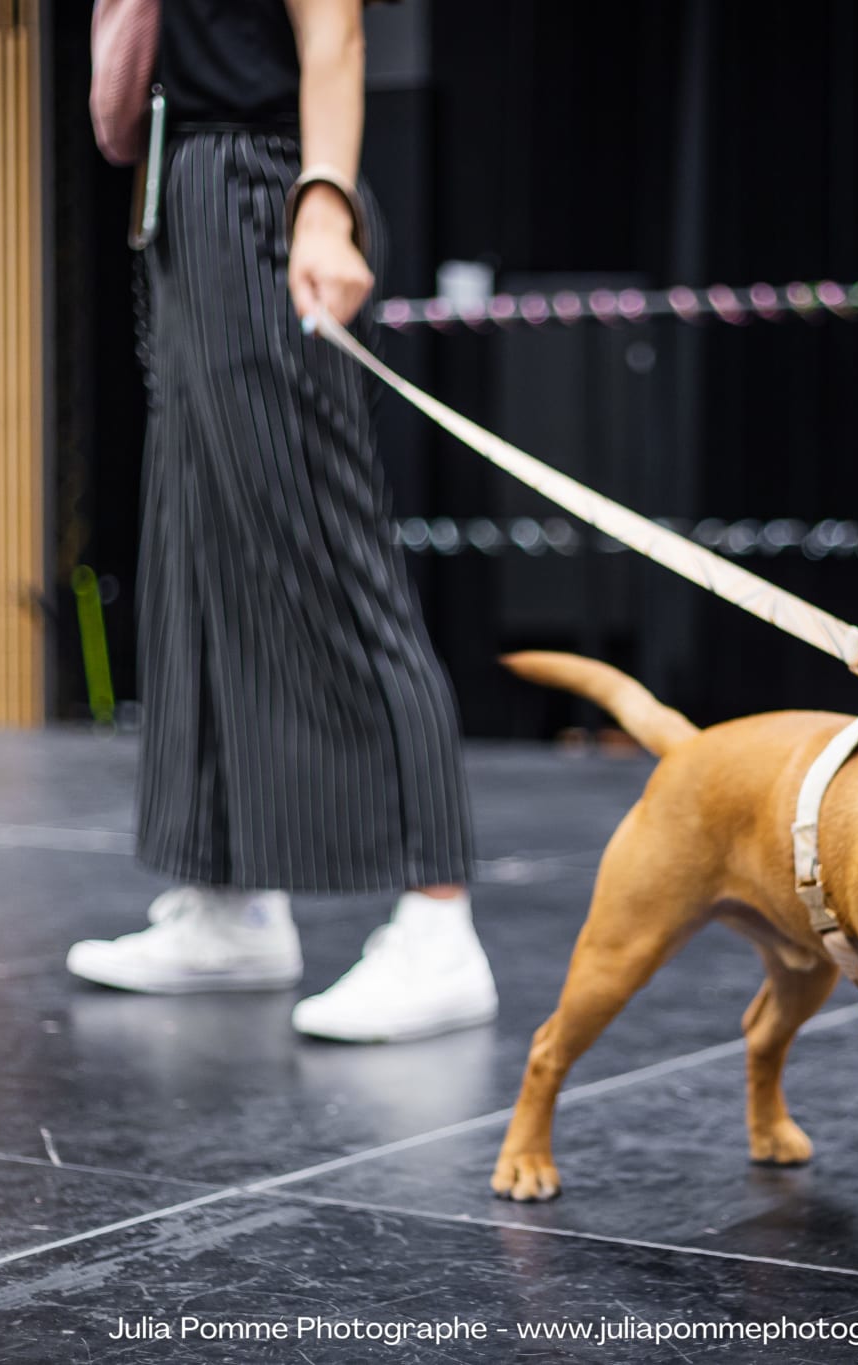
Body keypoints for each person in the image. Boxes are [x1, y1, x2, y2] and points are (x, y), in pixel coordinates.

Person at [64, 0, 497, 1043]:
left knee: (324, 549)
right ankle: (228, 899)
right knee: (195, 554)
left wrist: (322, 199)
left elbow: (331, 32)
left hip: (267, 183)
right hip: (187, 186)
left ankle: (439, 922)